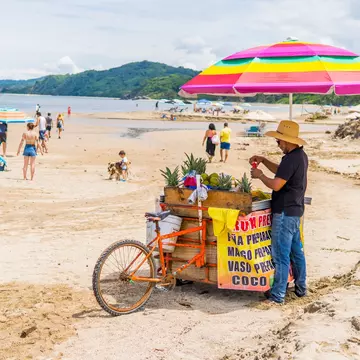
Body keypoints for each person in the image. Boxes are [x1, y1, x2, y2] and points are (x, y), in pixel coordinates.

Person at [249, 120, 308, 305]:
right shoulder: (300, 155)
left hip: (284, 212)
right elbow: (282, 172)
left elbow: (277, 184)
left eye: (279, 141)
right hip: (295, 210)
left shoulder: (292, 158)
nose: (278, 144)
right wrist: (265, 161)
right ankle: (301, 288)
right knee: (296, 252)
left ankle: (277, 296)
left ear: (287, 140)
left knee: (280, 254)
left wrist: (260, 176)